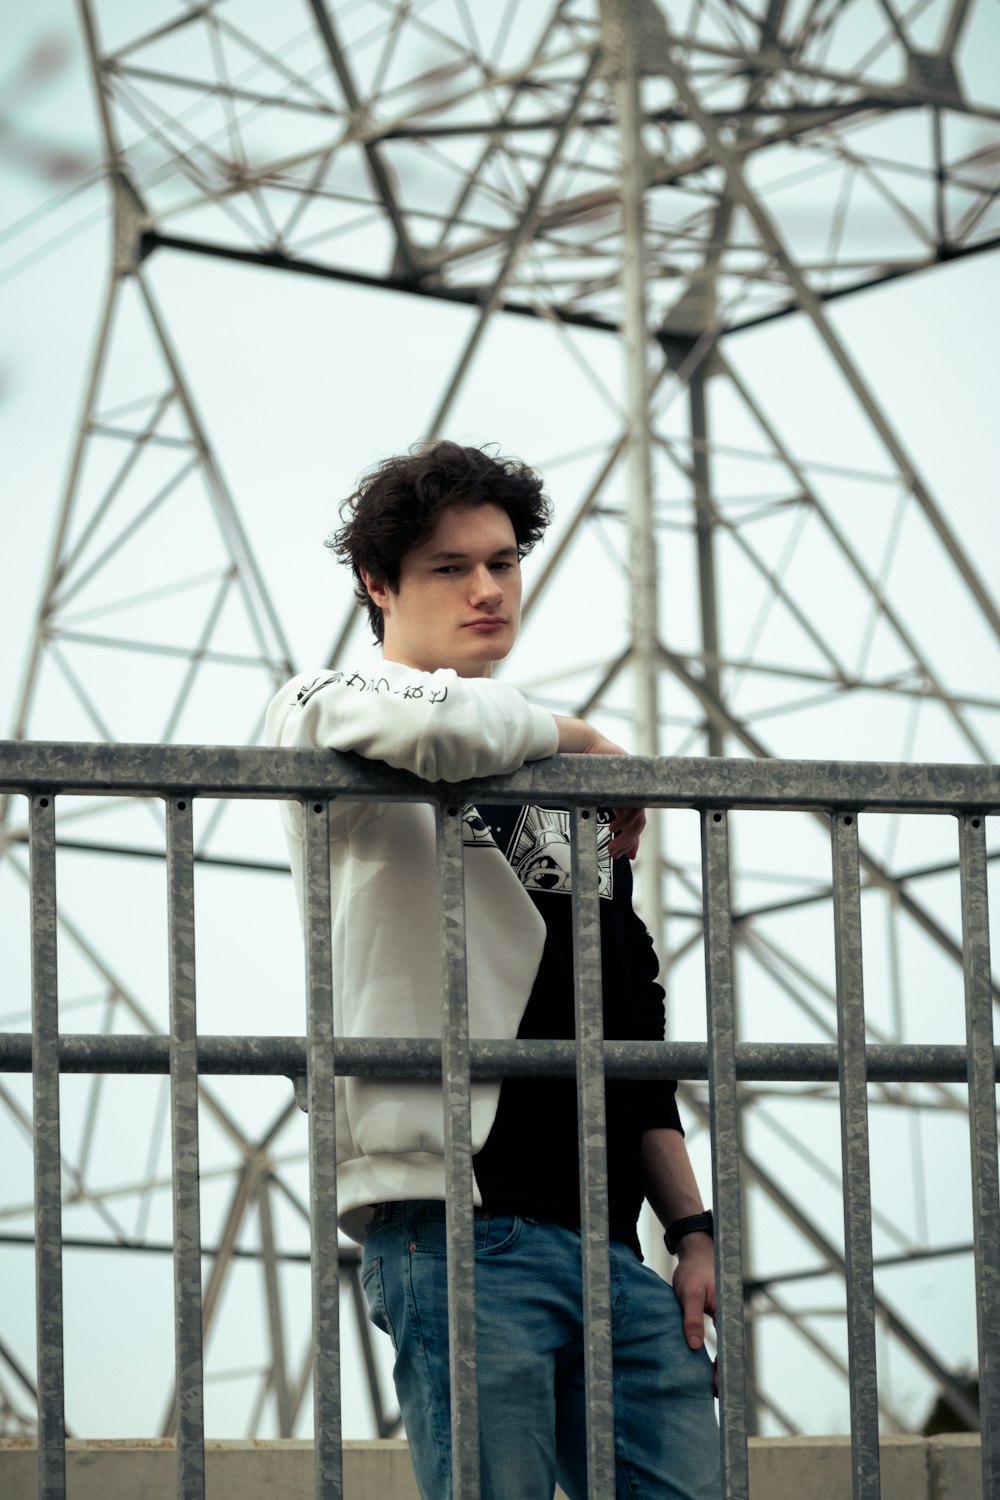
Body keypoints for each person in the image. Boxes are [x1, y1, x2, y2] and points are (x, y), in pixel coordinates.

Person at [266, 441, 721, 1500]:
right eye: (447, 568)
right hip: (458, 1226)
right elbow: (425, 722)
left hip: (612, 1247)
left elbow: (625, 1024)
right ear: (376, 586)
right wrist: (584, 738)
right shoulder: (326, 703)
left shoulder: (548, 767)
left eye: (503, 563)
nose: (485, 589)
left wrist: (689, 1229)